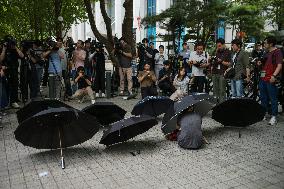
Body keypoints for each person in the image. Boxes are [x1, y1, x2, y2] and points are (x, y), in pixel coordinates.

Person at [257, 36, 283, 125]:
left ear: (270, 44)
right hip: (263, 78)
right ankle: (263, 113)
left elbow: (279, 65)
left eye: (265, 43)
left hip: (271, 79)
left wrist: (274, 76)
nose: (264, 44)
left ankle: (274, 116)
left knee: (273, 98)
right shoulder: (265, 52)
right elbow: (264, 64)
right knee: (263, 97)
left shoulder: (277, 52)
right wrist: (260, 63)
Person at [0, 36, 24, 108]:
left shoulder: (14, 49)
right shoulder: (3, 48)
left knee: (15, 85)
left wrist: (16, 47)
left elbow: (22, 56)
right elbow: (1, 59)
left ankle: (13, 101)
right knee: (6, 86)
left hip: (14, 70)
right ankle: (6, 102)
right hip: (5, 70)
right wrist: (4, 49)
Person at [211, 38, 231, 103]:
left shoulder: (228, 52)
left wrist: (221, 61)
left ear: (223, 45)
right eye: (217, 46)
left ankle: (222, 105)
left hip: (222, 73)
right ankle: (215, 105)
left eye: (219, 46)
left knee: (222, 90)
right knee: (215, 90)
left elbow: (230, 64)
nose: (218, 47)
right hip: (215, 72)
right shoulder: (216, 51)